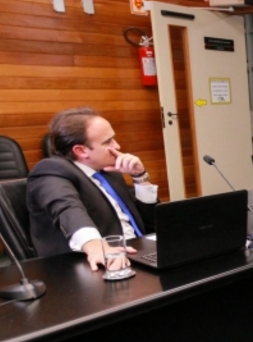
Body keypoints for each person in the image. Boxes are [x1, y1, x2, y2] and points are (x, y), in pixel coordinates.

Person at [27, 107, 157, 271]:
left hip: (137, 252)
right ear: (81, 151)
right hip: (91, 265)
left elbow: (149, 222)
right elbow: (67, 208)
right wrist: (95, 244)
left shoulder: (108, 172)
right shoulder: (51, 169)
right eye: (108, 142)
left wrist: (140, 177)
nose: (117, 146)